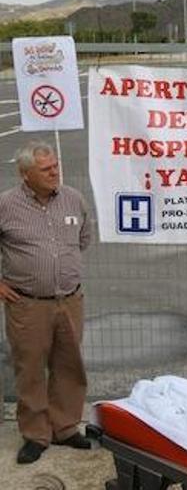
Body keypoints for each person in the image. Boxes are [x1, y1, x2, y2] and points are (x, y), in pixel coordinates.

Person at [0, 141, 93, 464]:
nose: (56, 172)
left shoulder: (73, 199)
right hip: (27, 304)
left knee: (69, 365)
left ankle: (65, 427)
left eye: (55, 166)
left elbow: (84, 238)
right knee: (30, 369)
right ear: (25, 174)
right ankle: (36, 434)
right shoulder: (6, 205)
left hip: (70, 300)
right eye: (46, 169)